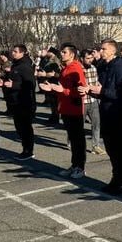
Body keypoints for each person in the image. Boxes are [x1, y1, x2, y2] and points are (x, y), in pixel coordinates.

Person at [84, 39, 122, 195]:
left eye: (104, 49)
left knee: (120, 150)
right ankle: (115, 178)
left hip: (117, 112)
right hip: (105, 111)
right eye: (101, 49)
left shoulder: (120, 66)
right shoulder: (104, 66)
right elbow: (101, 88)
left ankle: (121, 181)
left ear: (113, 51)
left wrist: (102, 91)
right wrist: (90, 90)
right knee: (111, 148)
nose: (101, 51)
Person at [41, 43, 87, 179]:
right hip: (66, 108)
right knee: (73, 139)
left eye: (64, 52)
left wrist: (63, 90)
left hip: (75, 109)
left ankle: (80, 167)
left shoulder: (76, 68)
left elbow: (81, 90)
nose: (62, 54)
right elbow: (62, 88)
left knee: (78, 139)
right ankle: (74, 165)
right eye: (61, 52)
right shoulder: (66, 68)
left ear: (72, 54)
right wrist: (53, 88)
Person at [0, 44, 36, 160]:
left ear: (22, 53)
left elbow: (31, 84)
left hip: (25, 101)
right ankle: (25, 148)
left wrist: (14, 85)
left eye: (15, 51)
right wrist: (3, 82)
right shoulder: (15, 65)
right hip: (15, 100)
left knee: (25, 127)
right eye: (12, 51)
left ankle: (28, 150)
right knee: (19, 127)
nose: (13, 53)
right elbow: (12, 80)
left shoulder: (25, 66)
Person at [81, 49, 106, 155]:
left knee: (96, 124)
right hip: (82, 101)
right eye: (87, 58)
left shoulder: (93, 68)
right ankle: (72, 143)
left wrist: (99, 86)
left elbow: (96, 81)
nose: (90, 60)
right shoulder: (78, 69)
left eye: (91, 58)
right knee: (78, 125)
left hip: (93, 100)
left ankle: (95, 146)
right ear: (82, 58)